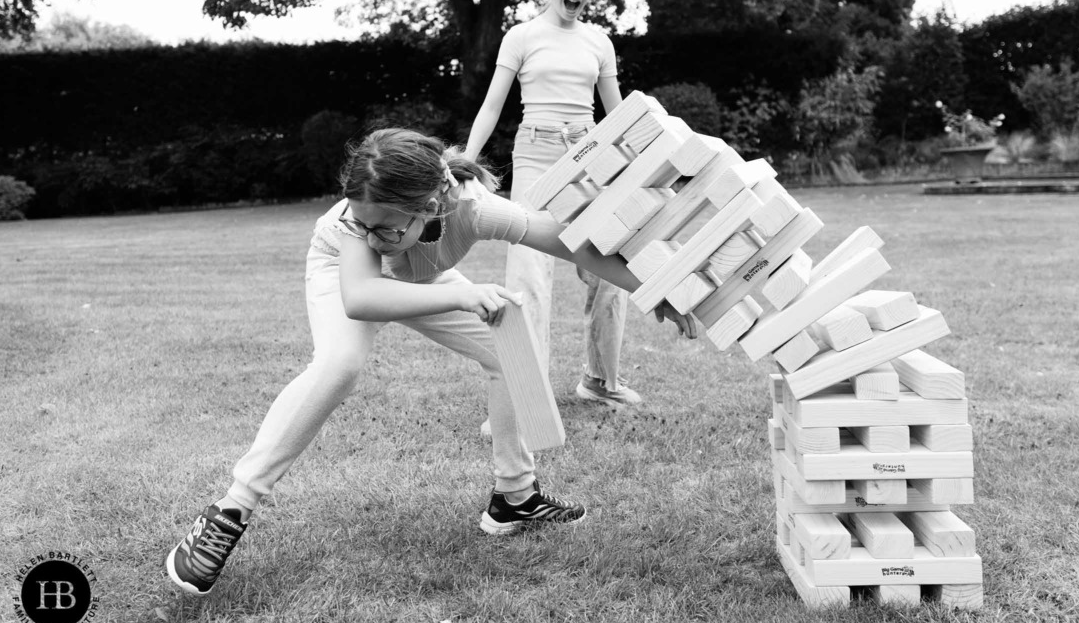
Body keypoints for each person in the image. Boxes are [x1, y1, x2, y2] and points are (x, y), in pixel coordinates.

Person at [166, 127, 695, 596]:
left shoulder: (474, 208)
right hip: (345, 275)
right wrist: (459, 294)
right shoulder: (359, 226)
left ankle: (514, 498)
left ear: (434, 201)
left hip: (423, 272)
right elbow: (363, 298)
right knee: (340, 365)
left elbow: (571, 243)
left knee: (509, 351)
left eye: (388, 228)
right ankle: (229, 510)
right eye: (366, 223)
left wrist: (657, 291)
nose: (374, 234)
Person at [464, 0, 635, 408]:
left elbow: (617, 115)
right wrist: (467, 160)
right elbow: (493, 104)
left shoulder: (599, 43)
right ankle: (527, 394)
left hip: (588, 160)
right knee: (529, 280)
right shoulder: (522, 37)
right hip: (536, 158)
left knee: (610, 270)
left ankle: (601, 380)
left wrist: (630, 166)